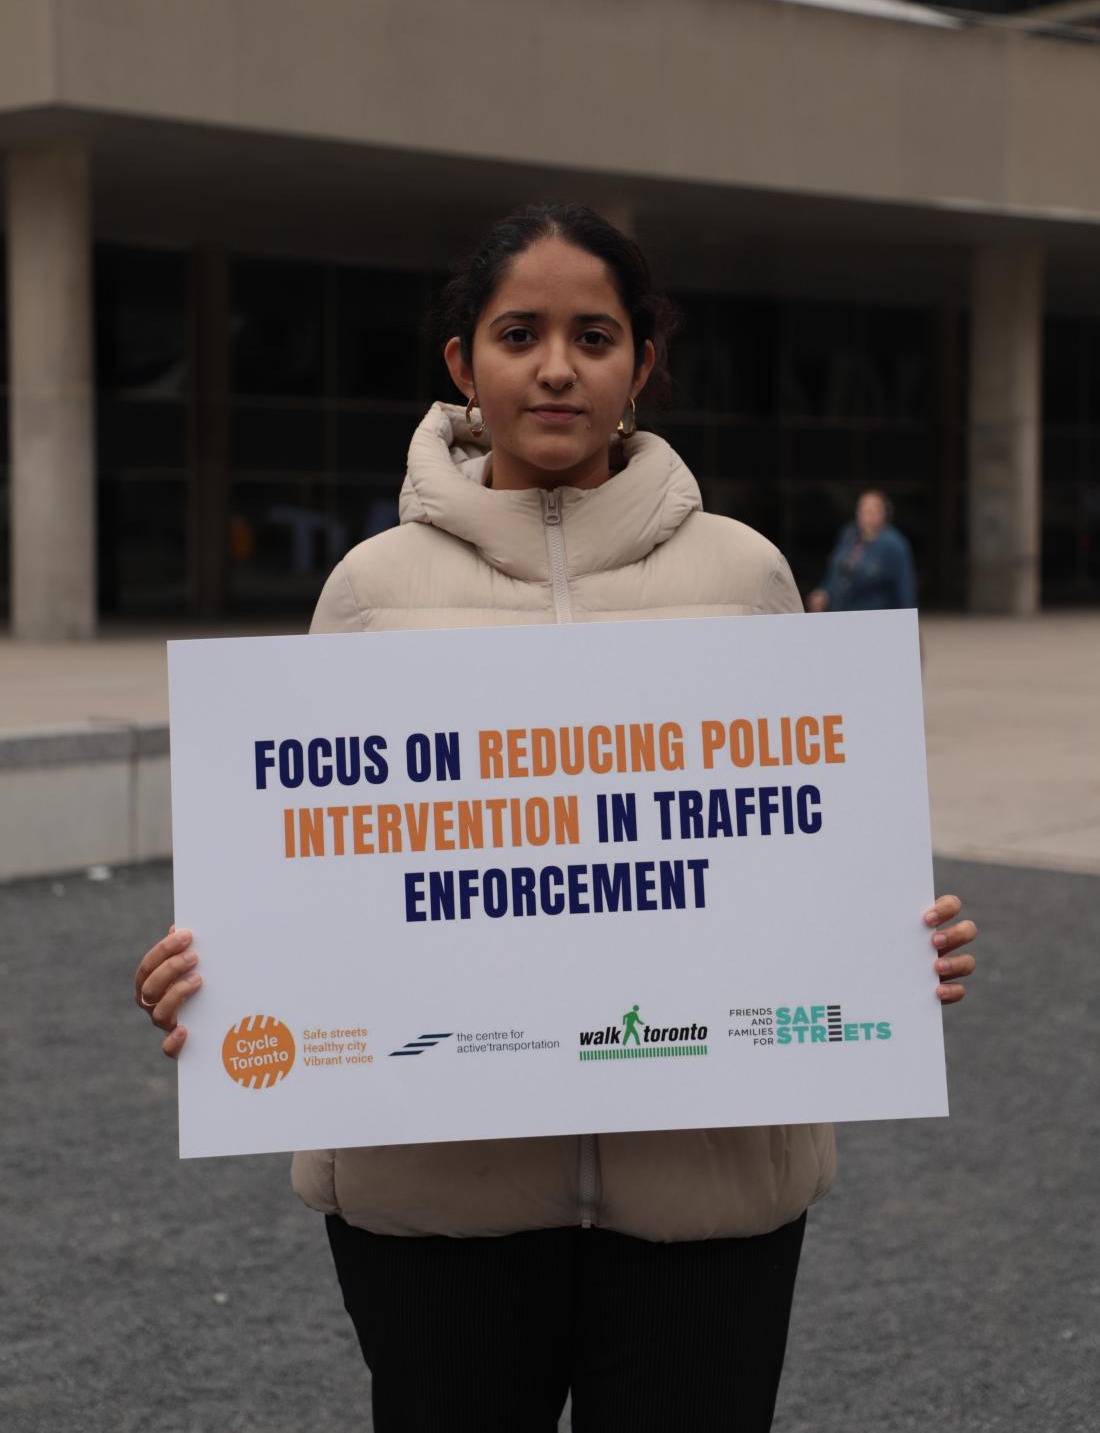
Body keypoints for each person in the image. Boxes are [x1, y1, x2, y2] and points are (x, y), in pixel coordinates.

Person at [134, 204, 976, 1433]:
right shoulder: (371, 588)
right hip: (436, 1199)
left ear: (642, 361)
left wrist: (894, 946)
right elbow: (304, 852)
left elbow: (799, 839)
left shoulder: (742, 576)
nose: (555, 364)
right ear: (461, 364)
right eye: (518, 331)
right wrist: (215, 975)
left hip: (707, 1193)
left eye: (594, 333)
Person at [807, 489, 917, 614]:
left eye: (871, 511)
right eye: (862, 510)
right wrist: (823, 591)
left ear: (883, 513)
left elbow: (904, 586)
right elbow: (836, 572)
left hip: (873, 616)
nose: (866, 515)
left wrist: (910, 622)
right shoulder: (848, 534)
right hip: (840, 613)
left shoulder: (894, 544)